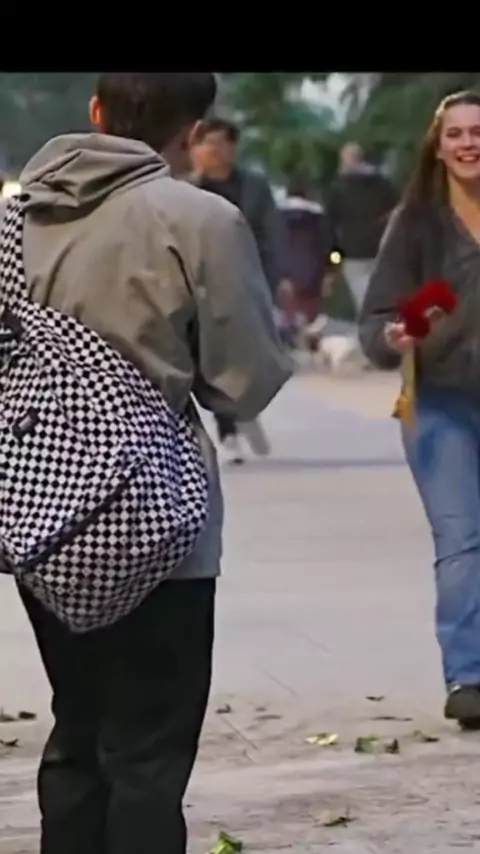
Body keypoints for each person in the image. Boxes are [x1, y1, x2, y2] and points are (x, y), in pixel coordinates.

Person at [11, 73, 292, 853]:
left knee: (77, 727)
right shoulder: (201, 219)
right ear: (193, 129)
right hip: (160, 517)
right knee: (148, 751)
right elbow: (243, 383)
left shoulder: (15, 221)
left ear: (96, 113)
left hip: (46, 521)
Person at [359, 90, 480, 729]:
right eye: (455, 133)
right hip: (440, 404)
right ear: (438, 146)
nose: (468, 144)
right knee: (461, 538)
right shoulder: (415, 224)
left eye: (477, 131)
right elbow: (375, 321)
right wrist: (393, 336)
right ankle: (469, 677)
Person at [189, 117, 283, 464]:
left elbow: (273, 234)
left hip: (247, 281)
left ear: (233, 147)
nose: (213, 151)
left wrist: (274, 279)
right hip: (202, 287)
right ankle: (228, 430)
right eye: (206, 144)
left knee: (248, 359)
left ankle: (246, 409)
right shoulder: (187, 191)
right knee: (212, 362)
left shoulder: (254, 188)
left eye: (220, 143)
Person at [327, 141, 397, 317]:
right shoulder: (384, 185)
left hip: (353, 253)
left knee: (363, 299)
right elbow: (397, 213)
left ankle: (372, 327)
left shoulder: (338, 188)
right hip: (382, 248)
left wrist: (334, 261)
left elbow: (331, 227)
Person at [277, 174, 338, 349]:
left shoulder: (276, 215)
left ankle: (289, 340)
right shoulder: (320, 217)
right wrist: (332, 270)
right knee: (313, 316)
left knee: (288, 311)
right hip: (314, 272)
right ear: (309, 193)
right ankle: (312, 342)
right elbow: (334, 249)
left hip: (285, 271)